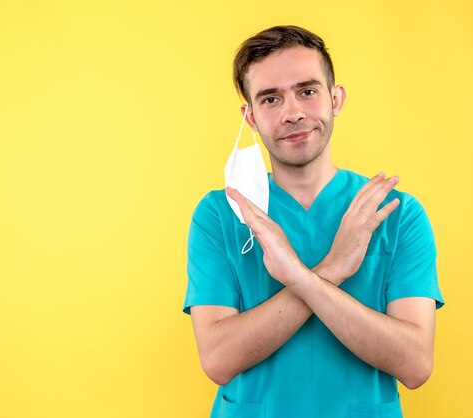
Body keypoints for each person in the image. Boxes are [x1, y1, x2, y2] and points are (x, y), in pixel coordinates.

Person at [183, 25, 445, 418]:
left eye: (307, 91)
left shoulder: (396, 214)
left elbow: (415, 364)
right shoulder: (222, 213)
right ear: (250, 117)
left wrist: (304, 278)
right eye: (270, 99)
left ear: (335, 98)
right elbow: (218, 360)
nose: (293, 113)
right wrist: (333, 269)